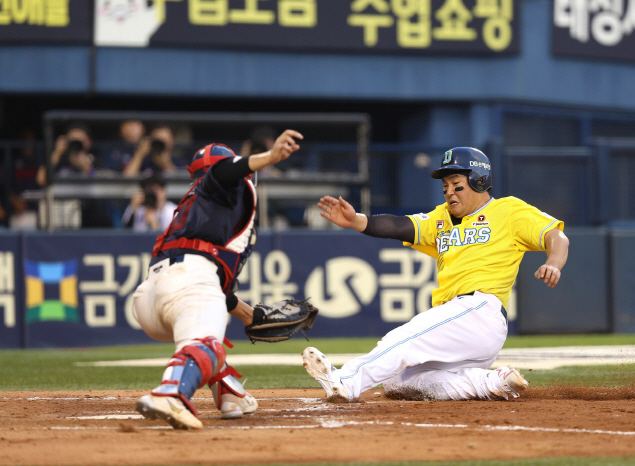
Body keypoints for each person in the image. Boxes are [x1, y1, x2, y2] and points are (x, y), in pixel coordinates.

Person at [302, 147, 569, 402]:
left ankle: (346, 381)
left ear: (480, 181)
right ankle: (492, 382)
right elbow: (399, 226)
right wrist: (356, 221)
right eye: (445, 187)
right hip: (460, 326)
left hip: (478, 310)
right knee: (399, 381)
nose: (449, 193)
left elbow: (556, 236)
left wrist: (554, 263)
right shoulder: (441, 218)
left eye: (457, 185)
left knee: (401, 340)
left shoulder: (508, 211)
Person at [132, 129, 303, 430]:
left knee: (205, 330)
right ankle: (172, 392)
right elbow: (223, 172)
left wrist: (248, 315)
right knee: (207, 343)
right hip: (187, 282)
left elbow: (214, 289)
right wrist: (270, 157)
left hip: (152, 298)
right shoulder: (219, 186)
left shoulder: (201, 208)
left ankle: (229, 394)